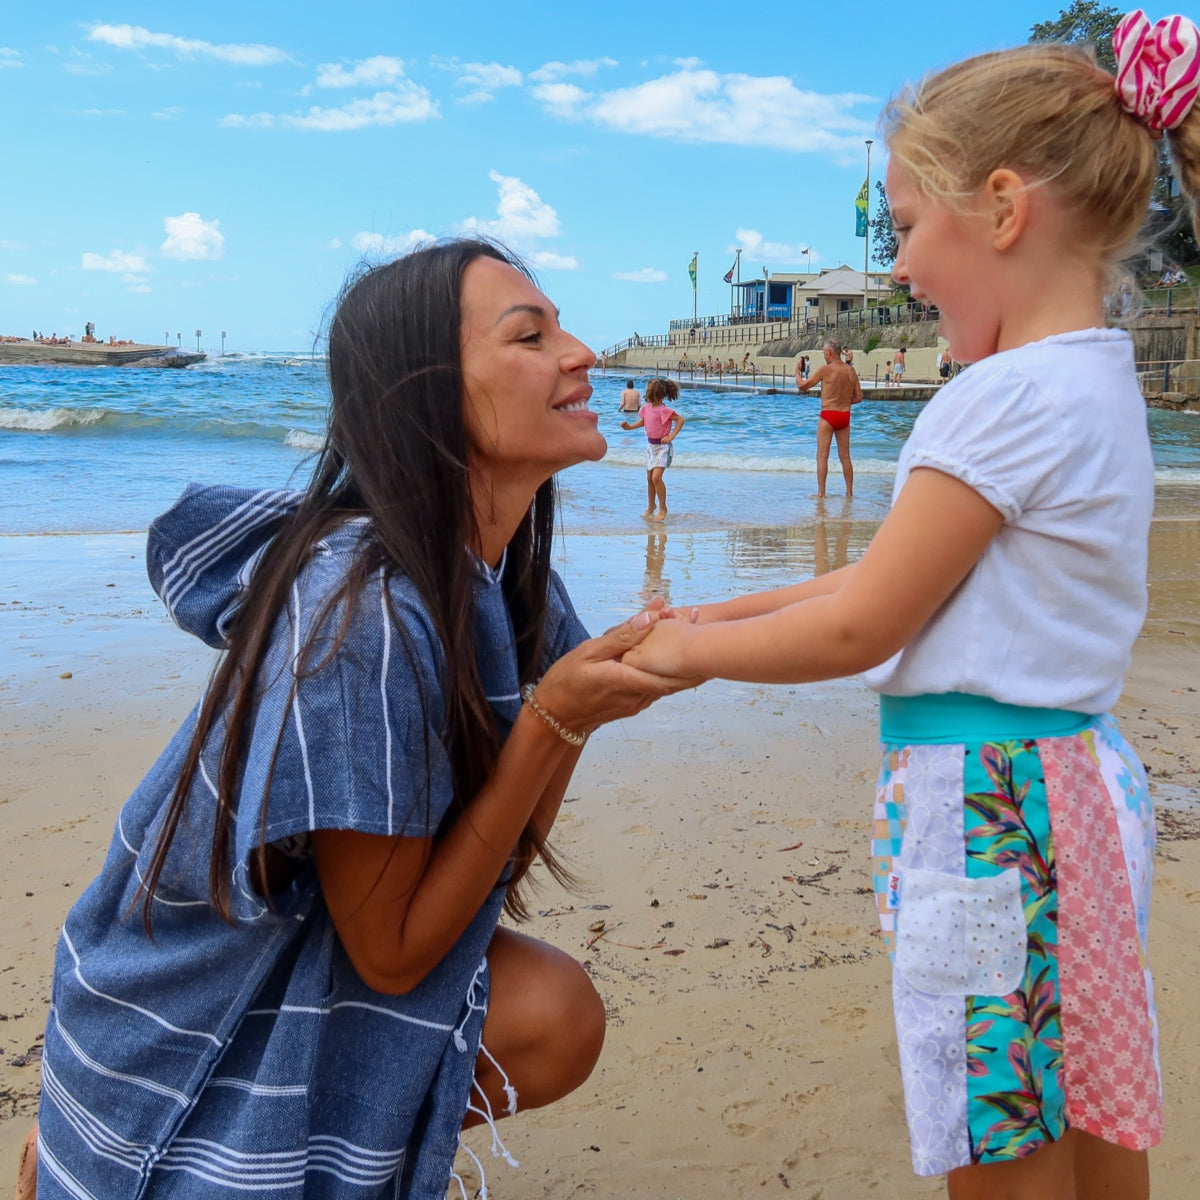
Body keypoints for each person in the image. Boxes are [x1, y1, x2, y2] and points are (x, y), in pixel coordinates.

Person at [625, 19, 1200, 1196]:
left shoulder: (995, 399)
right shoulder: (1092, 380)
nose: (895, 268)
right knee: (1088, 1103)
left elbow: (863, 626)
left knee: (999, 1139)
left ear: (1001, 208)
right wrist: (716, 617)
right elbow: (891, 580)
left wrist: (687, 660)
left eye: (903, 226)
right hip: (1075, 788)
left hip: (989, 812)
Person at [22, 240, 696, 1200]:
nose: (583, 353)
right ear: (427, 395)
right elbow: (392, 954)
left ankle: (325, 1142)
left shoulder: (509, 591)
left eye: (563, 325)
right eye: (531, 335)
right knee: (550, 1010)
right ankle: (154, 1159)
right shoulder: (364, 608)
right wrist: (552, 721)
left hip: (324, 942)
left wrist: (571, 717)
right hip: (178, 1016)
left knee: (556, 1017)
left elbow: (487, 881)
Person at [796, 338, 862, 498]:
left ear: (830, 352)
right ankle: (849, 492)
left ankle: (821, 493)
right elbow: (859, 397)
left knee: (822, 455)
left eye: (824, 353)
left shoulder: (825, 369)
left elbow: (803, 387)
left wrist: (797, 372)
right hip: (844, 415)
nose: (824, 356)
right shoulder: (850, 370)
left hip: (828, 414)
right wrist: (846, 402)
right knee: (845, 456)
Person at [621, 377, 685, 522]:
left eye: (652, 395)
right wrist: (629, 427)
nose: (649, 398)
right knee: (649, 479)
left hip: (663, 447)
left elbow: (680, 420)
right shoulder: (646, 408)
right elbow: (644, 421)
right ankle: (651, 506)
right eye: (648, 395)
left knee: (657, 478)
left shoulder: (664, 410)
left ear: (660, 396)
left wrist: (672, 435)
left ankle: (663, 508)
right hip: (650, 447)